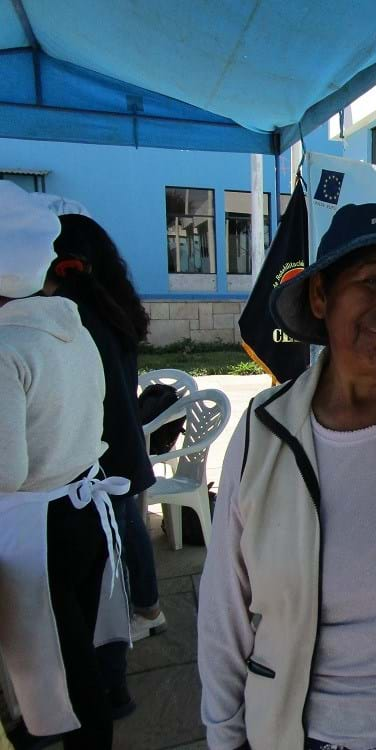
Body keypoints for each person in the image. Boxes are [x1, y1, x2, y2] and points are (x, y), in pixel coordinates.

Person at [197, 202, 376, 750]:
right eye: (372, 279)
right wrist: (224, 735)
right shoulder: (265, 430)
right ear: (321, 296)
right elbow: (224, 611)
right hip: (304, 735)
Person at [0, 181, 127, 749]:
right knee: (78, 652)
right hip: (82, 509)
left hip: (36, 527)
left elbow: (5, 471)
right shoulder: (70, 326)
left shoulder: (6, 348)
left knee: (61, 663)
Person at [46, 210, 162, 719]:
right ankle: (147, 612)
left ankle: (143, 616)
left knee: (111, 562)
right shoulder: (111, 304)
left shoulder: (70, 313)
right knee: (123, 541)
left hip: (96, 456)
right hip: (120, 446)